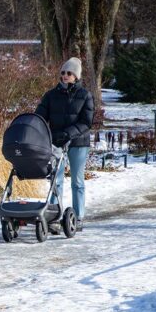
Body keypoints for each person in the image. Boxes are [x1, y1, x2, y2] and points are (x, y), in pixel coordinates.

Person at [35, 57, 94, 231]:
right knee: (56, 180)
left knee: (77, 181)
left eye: (69, 73)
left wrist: (68, 134)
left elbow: (86, 122)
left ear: (76, 76)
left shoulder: (85, 96)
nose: (65, 76)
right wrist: (35, 129)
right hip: (56, 143)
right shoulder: (51, 95)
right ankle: (53, 216)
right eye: (63, 73)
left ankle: (79, 216)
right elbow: (40, 116)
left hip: (78, 143)